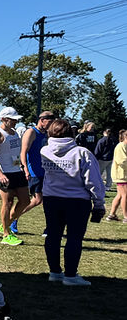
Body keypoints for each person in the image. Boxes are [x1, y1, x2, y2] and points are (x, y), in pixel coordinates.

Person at [40, 119, 106, 286]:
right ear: (72, 133)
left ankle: (54, 271)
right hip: (77, 200)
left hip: (51, 198)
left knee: (53, 235)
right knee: (74, 237)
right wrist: (99, 203)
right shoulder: (81, 153)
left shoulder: (45, 150)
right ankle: (70, 275)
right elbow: (93, 181)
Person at [0, 107, 29, 246]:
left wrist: (23, 167)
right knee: (8, 202)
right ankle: (6, 234)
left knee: (25, 201)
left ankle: (4, 224)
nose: (15, 122)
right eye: (13, 120)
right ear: (4, 119)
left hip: (17, 170)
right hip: (4, 172)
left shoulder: (15, 132)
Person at [18, 111, 55, 228]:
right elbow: (23, 152)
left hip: (46, 171)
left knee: (48, 201)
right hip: (34, 171)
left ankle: (50, 227)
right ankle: (13, 218)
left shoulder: (47, 134)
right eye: (49, 122)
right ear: (42, 120)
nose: (51, 125)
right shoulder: (31, 132)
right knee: (37, 200)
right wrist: (25, 169)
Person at [107, 129, 127, 221]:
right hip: (121, 175)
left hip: (123, 175)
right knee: (125, 195)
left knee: (119, 195)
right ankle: (126, 217)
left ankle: (112, 214)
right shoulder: (121, 146)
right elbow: (122, 161)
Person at [95, 128, 116, 193]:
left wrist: (96, 157)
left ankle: (97, 185)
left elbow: (98, 150)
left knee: (99, 173)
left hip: (102, 159)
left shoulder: (102, 140)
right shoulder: (113, 140)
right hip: (110, 158)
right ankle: (108, 186)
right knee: (109, 173)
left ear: (104, 132)